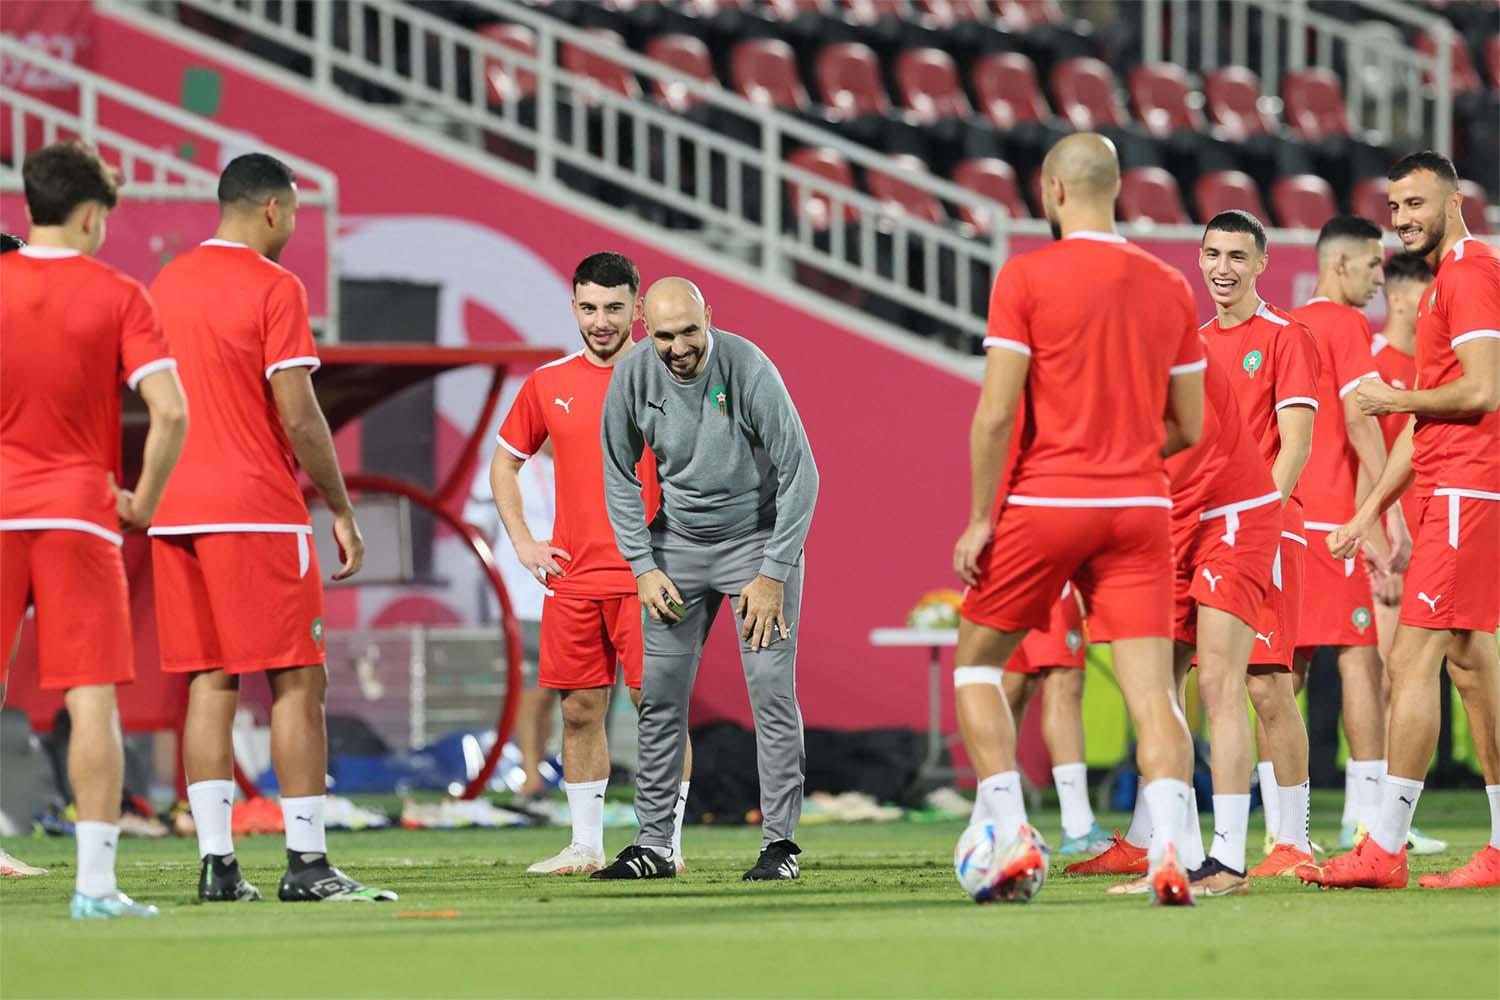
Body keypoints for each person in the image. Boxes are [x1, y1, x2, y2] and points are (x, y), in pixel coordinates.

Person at [951, 132, 1205, 906]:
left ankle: (1008, 832)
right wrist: (1125, 453)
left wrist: (978, 517)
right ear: (1118, 188)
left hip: (1048, 500)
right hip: (1141, 507)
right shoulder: (1170, 285)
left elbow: (996, 415)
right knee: (1154, 696)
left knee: (976, 664)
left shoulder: (1026, 275)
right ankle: (1169, 853)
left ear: (1052, 190)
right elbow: (1190, 428)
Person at [147, 153, 393, 903]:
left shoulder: (164, 285)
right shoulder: (274, 285)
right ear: (275, 210)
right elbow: (298, 411)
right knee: (297, 682)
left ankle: (218, 866)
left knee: (210, 683)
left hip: (174, 513)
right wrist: (341, 506)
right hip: (253, 508)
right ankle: (307, 864)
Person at [1303, 151, 1500, 890]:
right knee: (1474, 673)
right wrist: (1370, 511)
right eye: (1394, 208)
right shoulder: (1453, 278)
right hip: (1457, 492)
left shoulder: (1472, 275)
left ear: (1453, 203)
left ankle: (1382, 846)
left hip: (1463, 496)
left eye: (1415, 204)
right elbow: (1428, 424)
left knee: (1407, 663)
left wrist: (1395, 401)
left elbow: (1482, 390)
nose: (1402, 219)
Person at [0, 142, 188, 915]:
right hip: (78, 512)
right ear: (90, 214)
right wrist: (142, 500)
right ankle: (95, 886)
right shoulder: (119, 293)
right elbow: (171, 410)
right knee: (92, 699)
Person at [595, 277, 819, 881]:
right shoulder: (635, 375)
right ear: (645, 328)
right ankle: (655, 847)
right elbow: (618, 473)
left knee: (771, 695)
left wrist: (773, 572)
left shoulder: (748, 368)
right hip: (677, 547)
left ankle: (780, 847)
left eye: (690, 331)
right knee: (659, 699)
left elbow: (803, 472)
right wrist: (642, 566)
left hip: (757, 543)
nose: (679, 347)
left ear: (708, 318)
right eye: (664, 335)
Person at [489, 251, 690, 875]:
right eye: (587, 308)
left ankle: (665, 844)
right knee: (579, 710)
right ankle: (585, 845)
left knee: (659, 711)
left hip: (650, 574)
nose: (600, 321)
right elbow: (505, 464)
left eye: (612, 308)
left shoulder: (672, 375)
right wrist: (524, 541)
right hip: (572, 577)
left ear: (637, 308)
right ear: (572, 307)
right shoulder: (548, 383)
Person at [1081, 347, 1282, 898]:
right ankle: (1176, 857)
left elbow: (1192, 444)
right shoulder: (1092, 367)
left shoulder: (1167, 341)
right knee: (1156, 688)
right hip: (1170, 520)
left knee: (1218, 682)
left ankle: (1228, 861)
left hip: (1229, 512)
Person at [1197, 210, 1321, 877]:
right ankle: (1216, 842)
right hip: (1208, 535)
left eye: (1238, 257)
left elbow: (1295, 444)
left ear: (1262, 264)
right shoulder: (1191, 344)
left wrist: (1260, 525)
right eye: (1213, 254)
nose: (1223, 268)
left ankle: (1293, 839)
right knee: (1216, 687)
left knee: (1269, 683)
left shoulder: (1285, 337)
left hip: (1268, 531)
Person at [1289, 216, 1411, 849]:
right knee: (1361, 663)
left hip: (1286, 522)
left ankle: (1287, 828)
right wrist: (1384, 519)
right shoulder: (1343, 325)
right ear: (1338, 265)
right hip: (1334, 521)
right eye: (1371, 266)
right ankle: (1363, 822)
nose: (1378, 278)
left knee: (1283, 670)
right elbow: (1363, 425)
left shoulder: (1283, 325)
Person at [998, 586, 1111, 855]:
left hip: (1008, 574)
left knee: (1012, 687)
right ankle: (1078, 826)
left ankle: (998, 820)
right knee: (1060, 684)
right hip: (1051, 571)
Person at [1369, 252, 1434, 667]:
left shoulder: (1438, 368)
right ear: (1395, 299)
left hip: (1433, 541)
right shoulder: (1369, 362)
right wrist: (1382, 548)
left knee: (1429, 674)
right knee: (1389, 675)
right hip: (1390, 548)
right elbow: (1363, 462)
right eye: (1423, 297)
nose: (1431, 307)